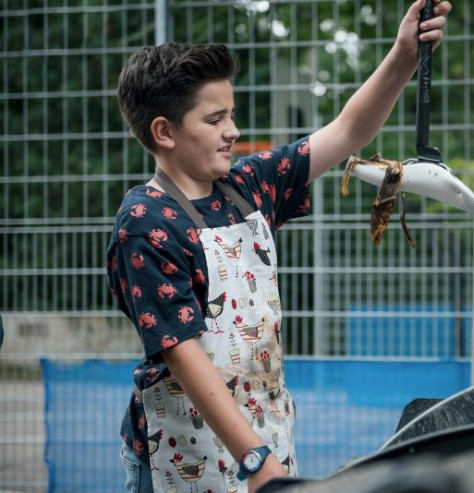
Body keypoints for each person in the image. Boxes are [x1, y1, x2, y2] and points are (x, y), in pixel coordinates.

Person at [106, 1, 451, 491]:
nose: (233, 131)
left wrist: (402, 57)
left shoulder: (249, 184)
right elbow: (182, 354)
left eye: (231, 115)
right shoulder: (145, 223)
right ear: (164, 132)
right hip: (186, 458)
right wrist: (254, 459)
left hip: (266, 441)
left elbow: (347, 131)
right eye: (215, 119)